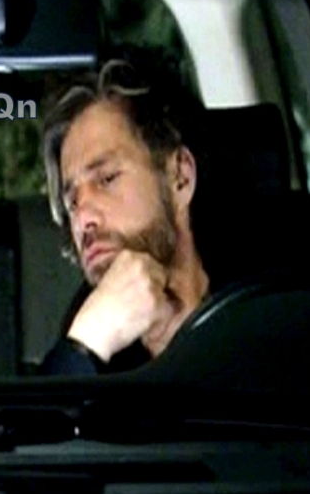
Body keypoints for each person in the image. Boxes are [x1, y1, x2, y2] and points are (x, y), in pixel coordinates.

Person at [39, 59, 209, 375]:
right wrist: (87, 342)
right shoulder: (93, 352)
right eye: (72, 202)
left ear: (180, 177)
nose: (82, 218)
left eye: (106, 179)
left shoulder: (266, 312)